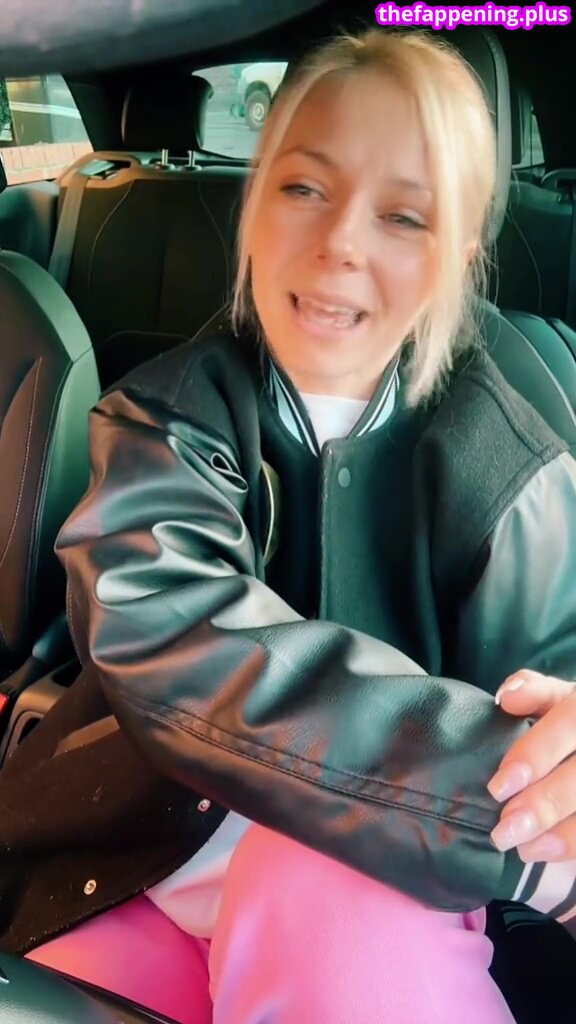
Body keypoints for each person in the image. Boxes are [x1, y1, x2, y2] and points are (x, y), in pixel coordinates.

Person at [1, 25, 576, 1024]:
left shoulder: (517, 473)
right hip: (142, 853)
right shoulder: (162, 417)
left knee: (331, 897)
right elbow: (162, 629)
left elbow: (556, 698)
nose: (342, 240)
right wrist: (493, 804)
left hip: (391, 885)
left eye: (403, 216)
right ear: (253, 206)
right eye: (304, 187)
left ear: (456, 259)